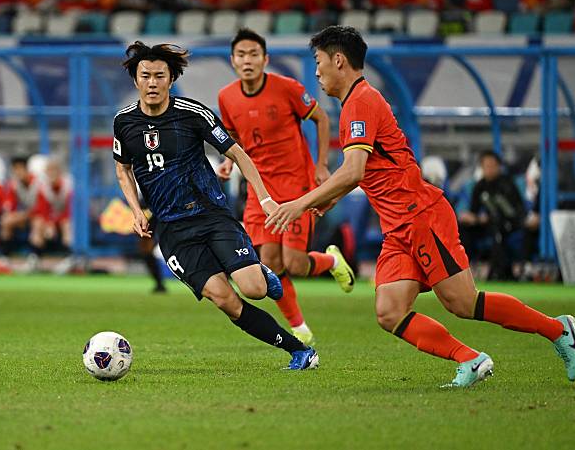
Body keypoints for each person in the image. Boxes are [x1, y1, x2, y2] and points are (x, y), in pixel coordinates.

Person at [265, 26, 575, 387]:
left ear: (339, 60)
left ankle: (558, 329)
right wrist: (328, 198)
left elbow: (353, 171)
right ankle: (471, 360)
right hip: (399, 226)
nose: (317, 71)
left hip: (420, 216)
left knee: (462, 302)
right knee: (389, 311)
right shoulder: (357, 102)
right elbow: (367, 170)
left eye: (319, 62)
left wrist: (300, 204)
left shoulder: (361, 102)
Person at [113, 41, 318, 370]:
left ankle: (261, 274)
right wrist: (137, 211)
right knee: (225, 300)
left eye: (159, 76)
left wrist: (264, 198)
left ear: (171, 79)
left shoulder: (192, 114)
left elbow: (237, 153)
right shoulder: (124, 122)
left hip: (210, 214)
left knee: (253, 289)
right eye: (145, 76)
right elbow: (122, 169)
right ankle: (300, 351)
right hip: (172, 230)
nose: (152, 82)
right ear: (136, 80)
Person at [217, 28, 355, 345]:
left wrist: (321, 166)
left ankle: (331, 260)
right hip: (260, 191)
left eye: (254, 54)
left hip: (296, 186)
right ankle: (300, 327)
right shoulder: (226, 97)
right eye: (241, 55)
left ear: (265, 59)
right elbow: (233, 137)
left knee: (294, 263)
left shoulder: (288, 88)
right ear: (233, 61)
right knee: (269, 266)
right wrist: (228, 161)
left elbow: (321, 118)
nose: (247, 60)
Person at [459, 151, 526, 280]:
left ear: (499, 166)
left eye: (492, 166)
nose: (489, 169)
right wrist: (470, 217)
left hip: (509, 224)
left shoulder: (507, 184)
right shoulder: (480, 185)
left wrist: (485, 218)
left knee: (498, 230)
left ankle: (498, 272)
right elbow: (474, 210)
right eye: (486, 166)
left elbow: (515, 211)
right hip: (487, 223)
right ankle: (463, 270)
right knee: (462, 229)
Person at [0, 156, 40, 274]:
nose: (17, 172)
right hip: (23, 217)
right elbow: (10, 204)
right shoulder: (14, 184)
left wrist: (23, 215)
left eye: (20, 169)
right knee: (6, 220)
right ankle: (4, 258)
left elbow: (42, 208)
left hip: (39, 216)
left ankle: (34, 258)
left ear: (27, 169)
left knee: (38, 222)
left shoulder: (38, 183)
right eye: (15, 169)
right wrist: (14, 215)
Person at [29, 158, 73, 273]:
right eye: (49, 171)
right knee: (37, 222)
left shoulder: (68, 185)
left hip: (64, 218)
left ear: (59, 172)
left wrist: (54, 221)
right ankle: (35, 258)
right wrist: (49, 223)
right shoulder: (43, 186)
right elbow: (42, 209)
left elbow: (69, 210)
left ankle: (69, 259)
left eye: (54, 170)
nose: (51, 174)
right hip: (50, 220)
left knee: (67, 224)